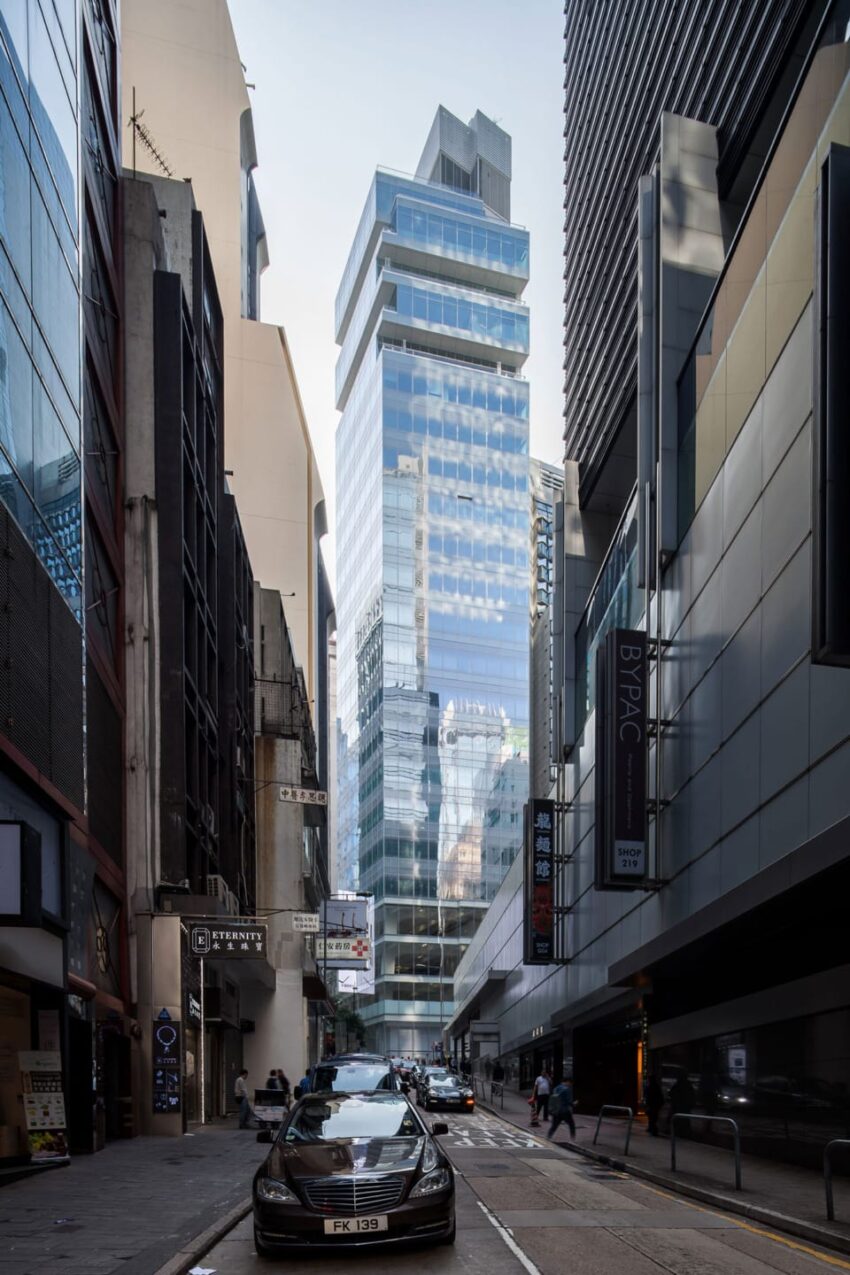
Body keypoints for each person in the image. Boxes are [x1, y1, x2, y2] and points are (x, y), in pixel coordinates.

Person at [548, 1074, 576, 1141]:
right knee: (571, 1124)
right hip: (564, 1110)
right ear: (568, 1081)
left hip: (556, 1110)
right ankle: (573, 1139)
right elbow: (569, 1101)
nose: (570, 1085)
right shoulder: (567, 1089)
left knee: (554, 1126)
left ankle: (548, 1137)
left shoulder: (556, 1088)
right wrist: (573, 1104)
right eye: (570, 1083)